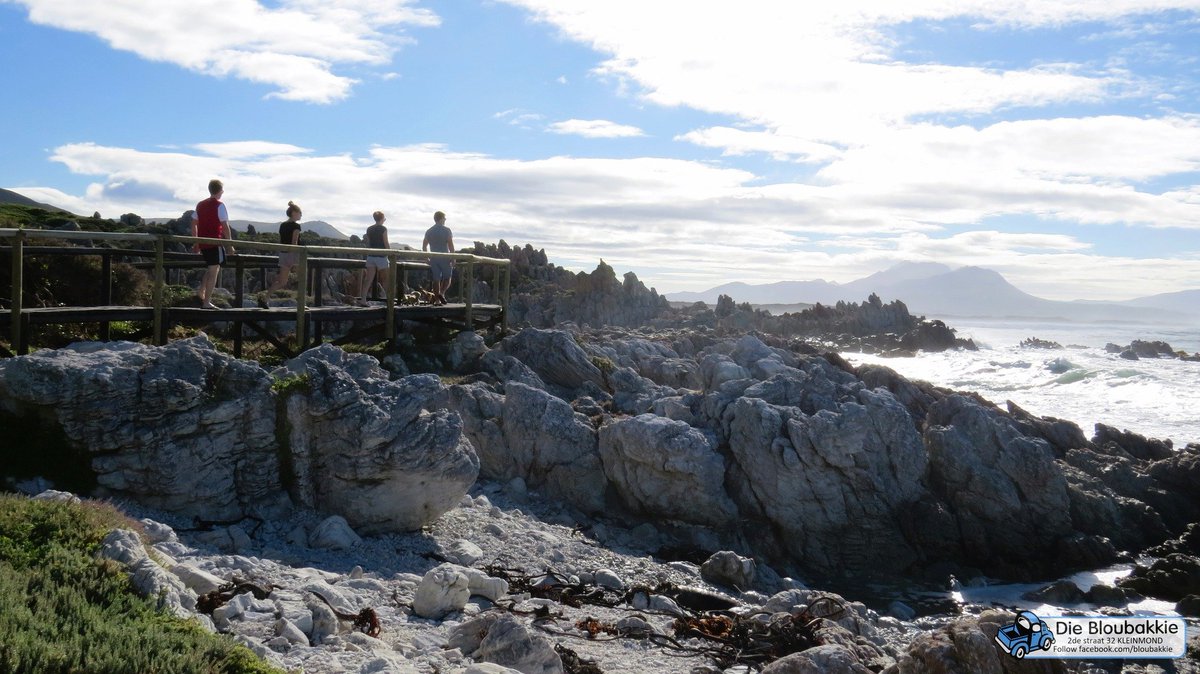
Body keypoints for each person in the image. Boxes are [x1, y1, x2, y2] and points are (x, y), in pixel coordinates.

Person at [191, 179, 235, 309]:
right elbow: (225, 226)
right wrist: (230, 244)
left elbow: (193, 223)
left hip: (203, 242)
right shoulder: (219, 205)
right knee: (214, 270)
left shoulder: (200, 204)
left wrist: (196, 241)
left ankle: (201, 291)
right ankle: (206, 302)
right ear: (220, 191)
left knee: (211, 267)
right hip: (215, 242)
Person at [422, 211, 454, 304]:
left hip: (434, 258)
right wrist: (453, 258)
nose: (445, 220)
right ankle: (442, 293)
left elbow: (424, 246)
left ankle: (437, 300)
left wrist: (426, 258)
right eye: (444, 218)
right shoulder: (447, 230)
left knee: (436, 280)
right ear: (441, 219)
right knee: (448, 278)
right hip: (445, 257)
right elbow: (450, 245)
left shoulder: (429, 231)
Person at [269, 201, 302, 291]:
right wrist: (294, 259)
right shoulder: (296, 226)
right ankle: (303, 302)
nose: (301, 215)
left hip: (283, 255)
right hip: (293, 255)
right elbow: (294, 242)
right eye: (300, 213)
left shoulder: (282, 225)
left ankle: (266, 297)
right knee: (303, 278)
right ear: (294, 213)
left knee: (282, 282)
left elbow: (282, 240)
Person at [360, 211, 389, 304]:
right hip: (381, 256)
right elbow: (386, 242)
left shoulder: (369, 229)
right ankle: (389, 299)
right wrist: (390, 252)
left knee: (368, 279)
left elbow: (369, 242)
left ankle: (363, 299)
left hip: (371, 256)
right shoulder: (383, 229)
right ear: (382, 218)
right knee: (385, 279)